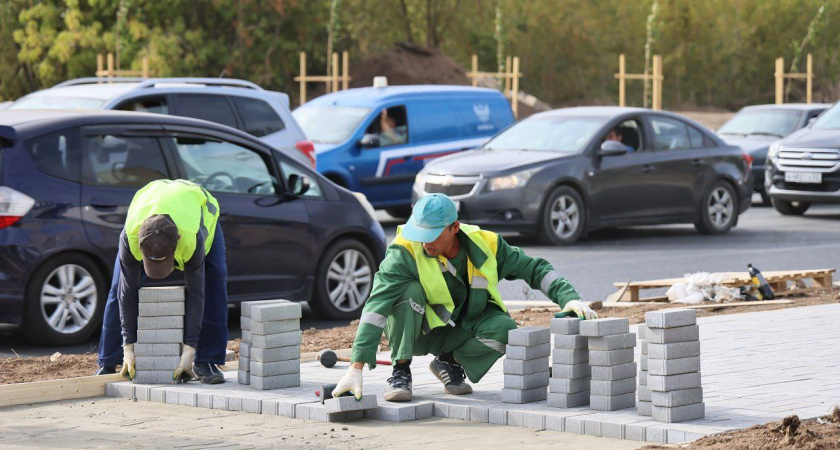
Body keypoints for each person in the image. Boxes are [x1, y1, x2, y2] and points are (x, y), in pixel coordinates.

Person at [332, 193, 597, 402]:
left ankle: (449, 362)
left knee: (505, 328)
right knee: (407, 290)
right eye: (420, 234)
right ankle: (401, 371)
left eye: (432, 235)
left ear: (454, 227)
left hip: (460, 328)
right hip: (416, 332)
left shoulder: (487, 244)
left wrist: (569, 299)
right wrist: (356, 367)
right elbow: (376, 307)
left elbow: (534, 268)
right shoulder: (404, 252)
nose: (425, 243)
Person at [95, 179, 229, 384]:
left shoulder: (191, 238)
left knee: (215, 280)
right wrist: (128, 347)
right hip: (152, 202)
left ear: (177, 245)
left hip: (199, 211)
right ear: (141, 246)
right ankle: (109, 361)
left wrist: (189, 350)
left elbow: (196, 294)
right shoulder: (130, 237)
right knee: (118, 287)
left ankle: (207, 360)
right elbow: (127, 294)